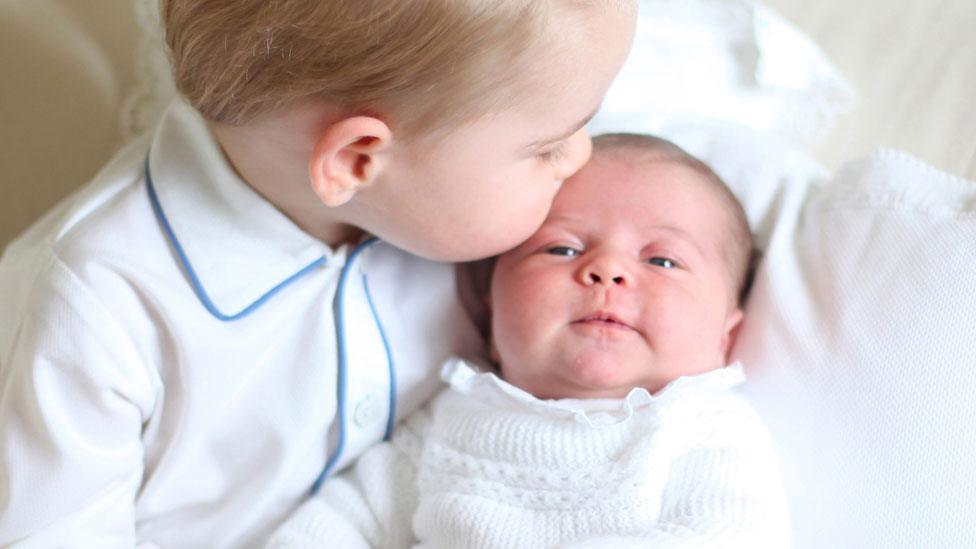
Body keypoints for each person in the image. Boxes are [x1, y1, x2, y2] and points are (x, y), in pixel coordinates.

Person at [0, 2, 636, 546]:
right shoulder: (94, 307)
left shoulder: (451, 210)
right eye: (548, 146)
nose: (581, 155)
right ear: (358, 160)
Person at [266, 134, 790, 549]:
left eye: (662, 261)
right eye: (561, 249)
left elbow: (731, 535)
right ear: (490, 309)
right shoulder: (453, 416)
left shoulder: (705, 429)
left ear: (727, 336)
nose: (606, 270)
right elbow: (353, 519)